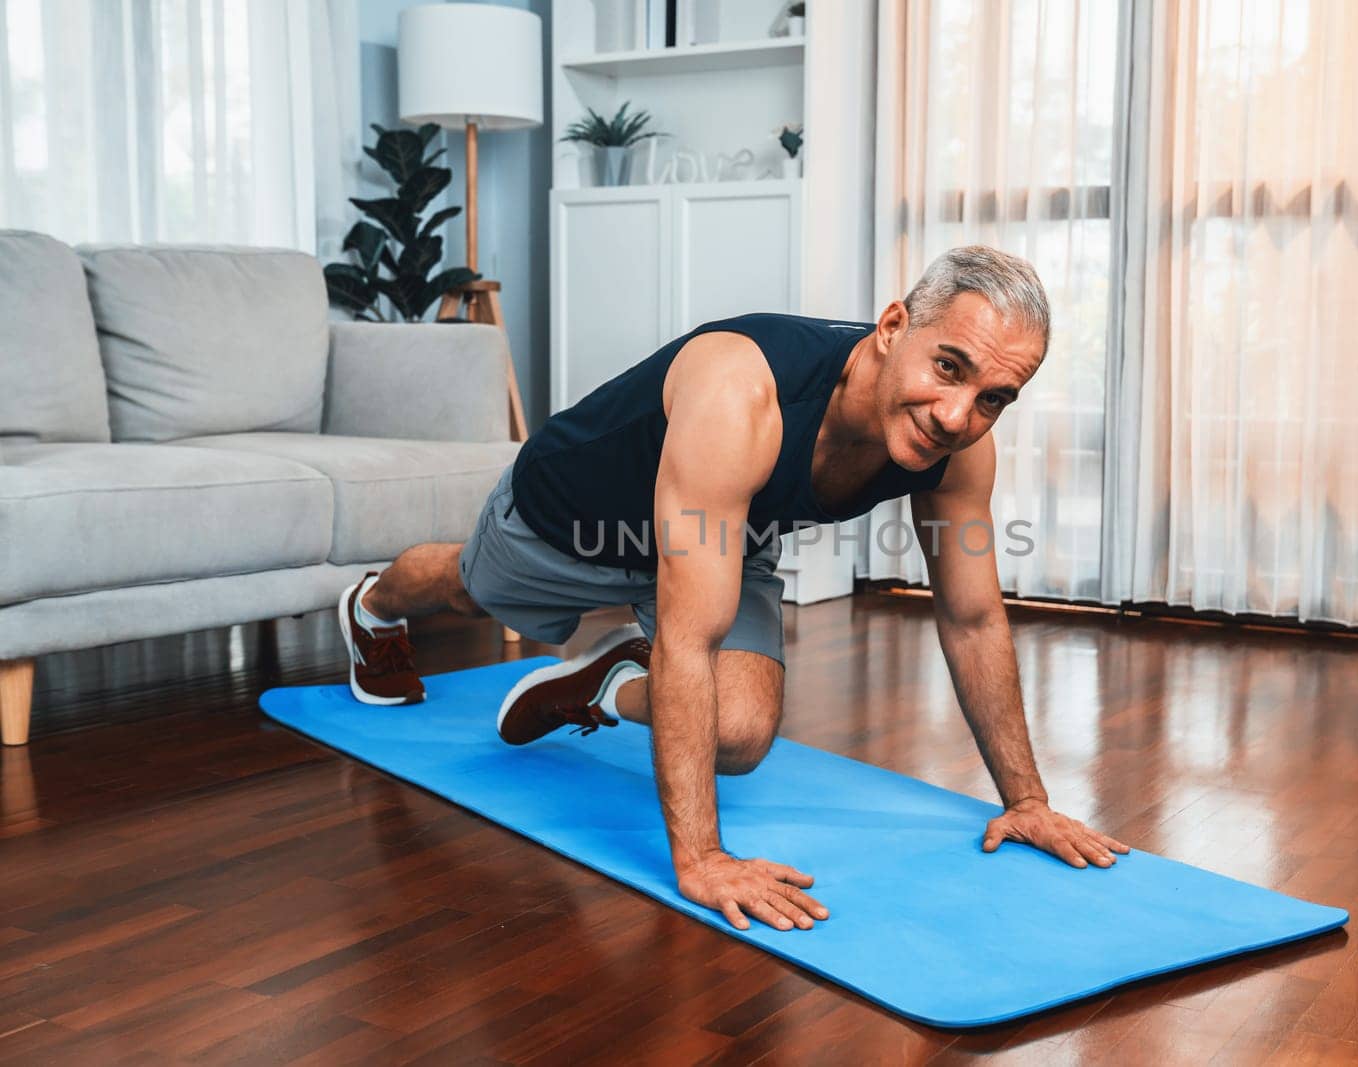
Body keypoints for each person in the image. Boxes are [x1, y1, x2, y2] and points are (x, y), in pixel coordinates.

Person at [337, 245, 1130, 934]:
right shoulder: (742, 390)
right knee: (467, 587)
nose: (959, 414)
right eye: (948, 367)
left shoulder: (958, 450)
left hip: (723, 529)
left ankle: (610, 678)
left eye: (993, 397)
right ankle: (371, 605)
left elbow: (972, 616)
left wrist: (1026, 799)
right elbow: (688, 639)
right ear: (892, 328)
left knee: (743, 733)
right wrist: (703, 860)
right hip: (572, 516)